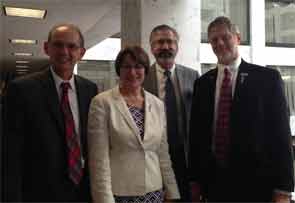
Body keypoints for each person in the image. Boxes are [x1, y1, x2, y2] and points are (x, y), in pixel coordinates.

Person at [188, 16, 294, 202]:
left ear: (238, 38)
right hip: (214, 185)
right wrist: (194, 181)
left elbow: (281, 136)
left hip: (257, 185)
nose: (220, 43)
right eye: (214, 39)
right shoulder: (202, 84)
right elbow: (196, 137)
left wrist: (284, 189)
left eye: (225, 37)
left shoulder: (267, 79)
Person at [2, 24, 97, 202]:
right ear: (47, 48)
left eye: (71, 46)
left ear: (81, 53)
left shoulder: (90, 89)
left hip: (83, 191)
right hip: (39, 193)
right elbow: (10, 152)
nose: (64, 52)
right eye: (58, 45)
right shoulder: (22, 89)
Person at [88, 45, 180, 203]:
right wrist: (103, 199)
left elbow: (162, 152)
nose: (132, 72)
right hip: (120, 194)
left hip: (154, 192)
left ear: (145, 69)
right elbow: (98, 159)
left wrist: (172, 191)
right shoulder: (103, 102)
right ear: (119, 70)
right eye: (126, 67)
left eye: (138, 66)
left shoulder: (156, 104)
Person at [144, 24, 199, 202]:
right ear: (152, 47)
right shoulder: (142, 78)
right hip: (154, 159)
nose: (166, 47)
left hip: (186, 159)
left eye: (170, 42)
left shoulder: (193, 76)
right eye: (160, 42)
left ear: (177, 46)